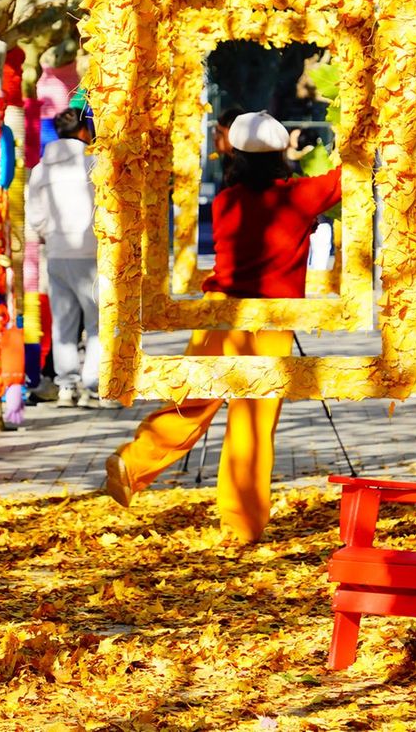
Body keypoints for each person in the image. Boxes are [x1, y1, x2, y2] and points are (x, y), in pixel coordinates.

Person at [103, 112, 343, 543]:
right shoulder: (299, 197)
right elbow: (350, 177)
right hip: (269, 319)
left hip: (219, 313)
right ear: (281, 153)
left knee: (194, 397)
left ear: (234, 153)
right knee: (251, 422)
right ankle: (241, 525)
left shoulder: (225, 201)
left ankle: (134, 461)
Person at [27, 108, 102, 407]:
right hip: (92, 253)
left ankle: (66, 387)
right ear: (84, 131)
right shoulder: (95, 162)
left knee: (64, 323)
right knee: (97, 323)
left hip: (57, 253)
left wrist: (52, 235)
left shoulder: (41, 169)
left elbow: (35, 217)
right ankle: (93, 385)